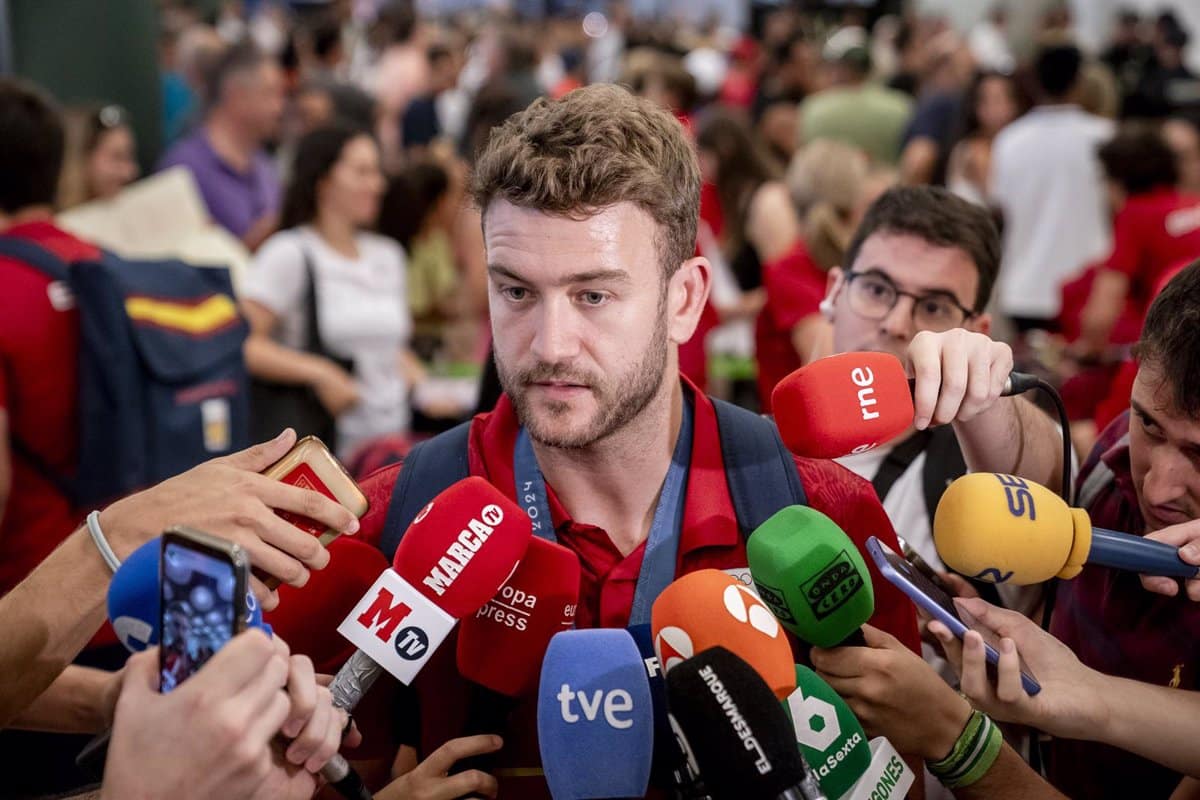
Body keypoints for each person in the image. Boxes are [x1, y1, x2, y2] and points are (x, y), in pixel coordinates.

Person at [351, 84, 922, 799]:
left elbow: (910, 770)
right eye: (517, 293)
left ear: (684, 300)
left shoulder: (828, 514)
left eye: (593, 296)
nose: (550, 345)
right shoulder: (392, 523)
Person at [1041, 257, 1200, 798]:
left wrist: (960, 747)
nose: (1159, 488)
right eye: (1149, 424)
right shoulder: (1108, 461)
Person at [241, 124, 422, 460]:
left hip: (394, 443)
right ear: (323, 180)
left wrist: (420, 379)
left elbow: (388, 346)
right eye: (361, 172)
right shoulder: (290, 252)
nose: (377, 184)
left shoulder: (388, 255)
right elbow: (244, 344)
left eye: (377, 171)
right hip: (325, 448)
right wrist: (318, 372)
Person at [990, 43, 1114, 332]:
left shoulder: (1009, 140)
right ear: (1080, 81)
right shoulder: (1104, 136)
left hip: (1025, 285)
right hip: (1087, 284)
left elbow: (1000, 208)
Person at [1077, 127, 1200, 355]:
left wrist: (1085, 353)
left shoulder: (1136, 216)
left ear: (1117, 182)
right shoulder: (1192, 203)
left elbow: (1101, 314)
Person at [158, 41, 285, 250]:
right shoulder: (182, 169)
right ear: (237, 96)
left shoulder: (264, 165)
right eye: (270, 93)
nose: (279, 107)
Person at [798, 38, 913, 165]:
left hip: (829, 184)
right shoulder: (901, 105)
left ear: (838, 70)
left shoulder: (813, 107)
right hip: (888, 183)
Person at [945, 71, 1027, 206]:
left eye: (999, 99)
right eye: (984, 100)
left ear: (1015, 104)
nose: (992, 108)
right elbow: (996, 200)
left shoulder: (1023, 148)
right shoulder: (969, 149)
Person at [56, 104, 140, 210]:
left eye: (130, 157)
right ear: (80, 159)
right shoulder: (52, 220)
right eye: (117, 157)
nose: (130, 172)